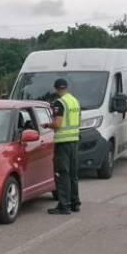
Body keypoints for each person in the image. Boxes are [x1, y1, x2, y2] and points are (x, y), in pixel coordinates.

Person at [48, 77, 81, 215]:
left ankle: (64, 205)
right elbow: (79, 120)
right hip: (74, 140)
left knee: (62, 174)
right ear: (66, 87)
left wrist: (47, 125)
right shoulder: (74, 100)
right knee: (73, 174)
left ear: (56, 88)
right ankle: (75, 203)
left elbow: (58, 124)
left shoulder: (59, 103)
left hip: (63, 142)